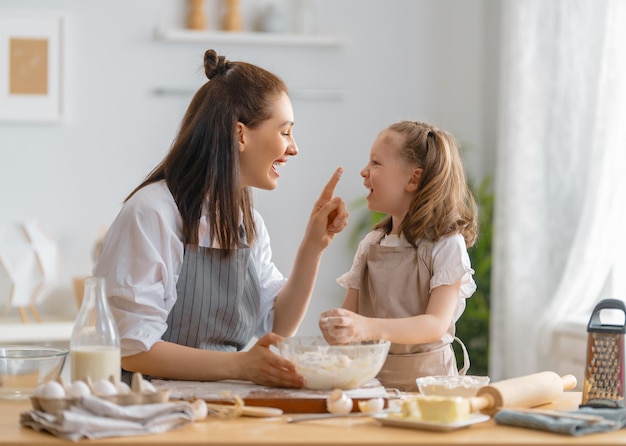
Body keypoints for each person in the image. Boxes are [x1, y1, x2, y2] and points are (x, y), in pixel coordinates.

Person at [93, 49, 348, 388]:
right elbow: (132, 349)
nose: (294, 147)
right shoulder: (153, 212)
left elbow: (277, 327)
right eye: (285, 132)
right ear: (240, 135)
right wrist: (240, 366)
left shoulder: (249, 223)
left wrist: (313, 247)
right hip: (149, 408)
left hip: (222, 404)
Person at [319, 120, 478, 391]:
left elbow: (435, 325)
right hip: (372, 386)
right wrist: (338, 326)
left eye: (376, 163)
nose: (364, 171)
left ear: (413, 179)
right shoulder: (370, 244)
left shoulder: (447, 244)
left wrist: (365, 327)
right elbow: (350, 315)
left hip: (430, 389)